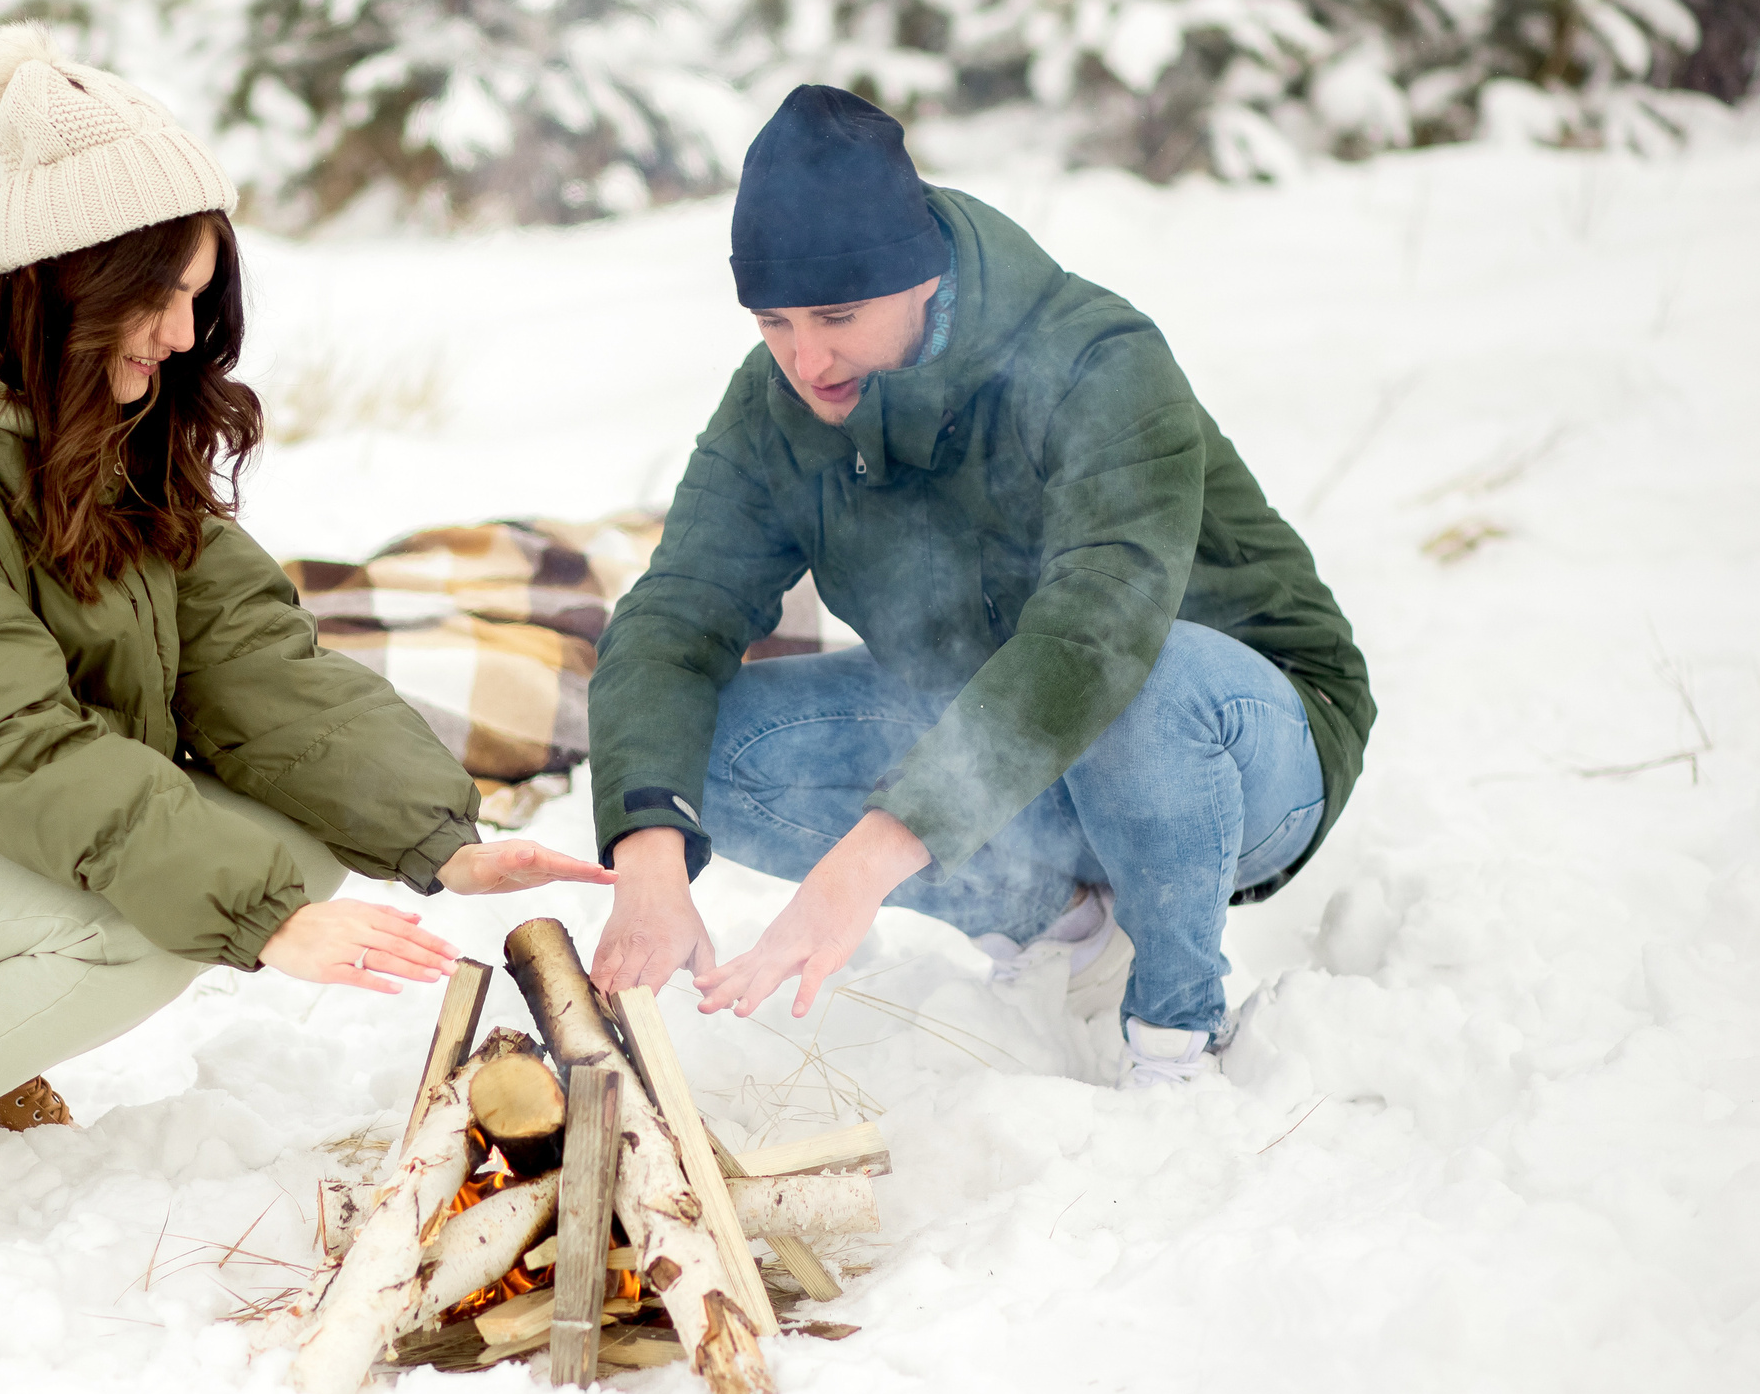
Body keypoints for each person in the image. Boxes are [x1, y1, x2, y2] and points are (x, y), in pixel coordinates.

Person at [0, 24, 609, 1272]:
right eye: (161, 294)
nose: (188, 334)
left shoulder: (92, 410)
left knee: (284, 857)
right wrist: (248, 918)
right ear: (65, 278)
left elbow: (245, 652)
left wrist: (439, 838)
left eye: (202, 294)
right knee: (156, 919)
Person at [586, 86, 1373, 1086]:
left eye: (836, 314)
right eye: (773, 321)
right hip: (1000, 743)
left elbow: (1097, 632)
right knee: (708, 751)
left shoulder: (1096, 359)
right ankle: (1058, 924)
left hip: (1238, 747)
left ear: (921, 279)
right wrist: (648, 855)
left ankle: (1178, 1035)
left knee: (1143, 674)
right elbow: (671, 619)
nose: (805, 359)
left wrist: (861, 868)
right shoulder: (775, 403)